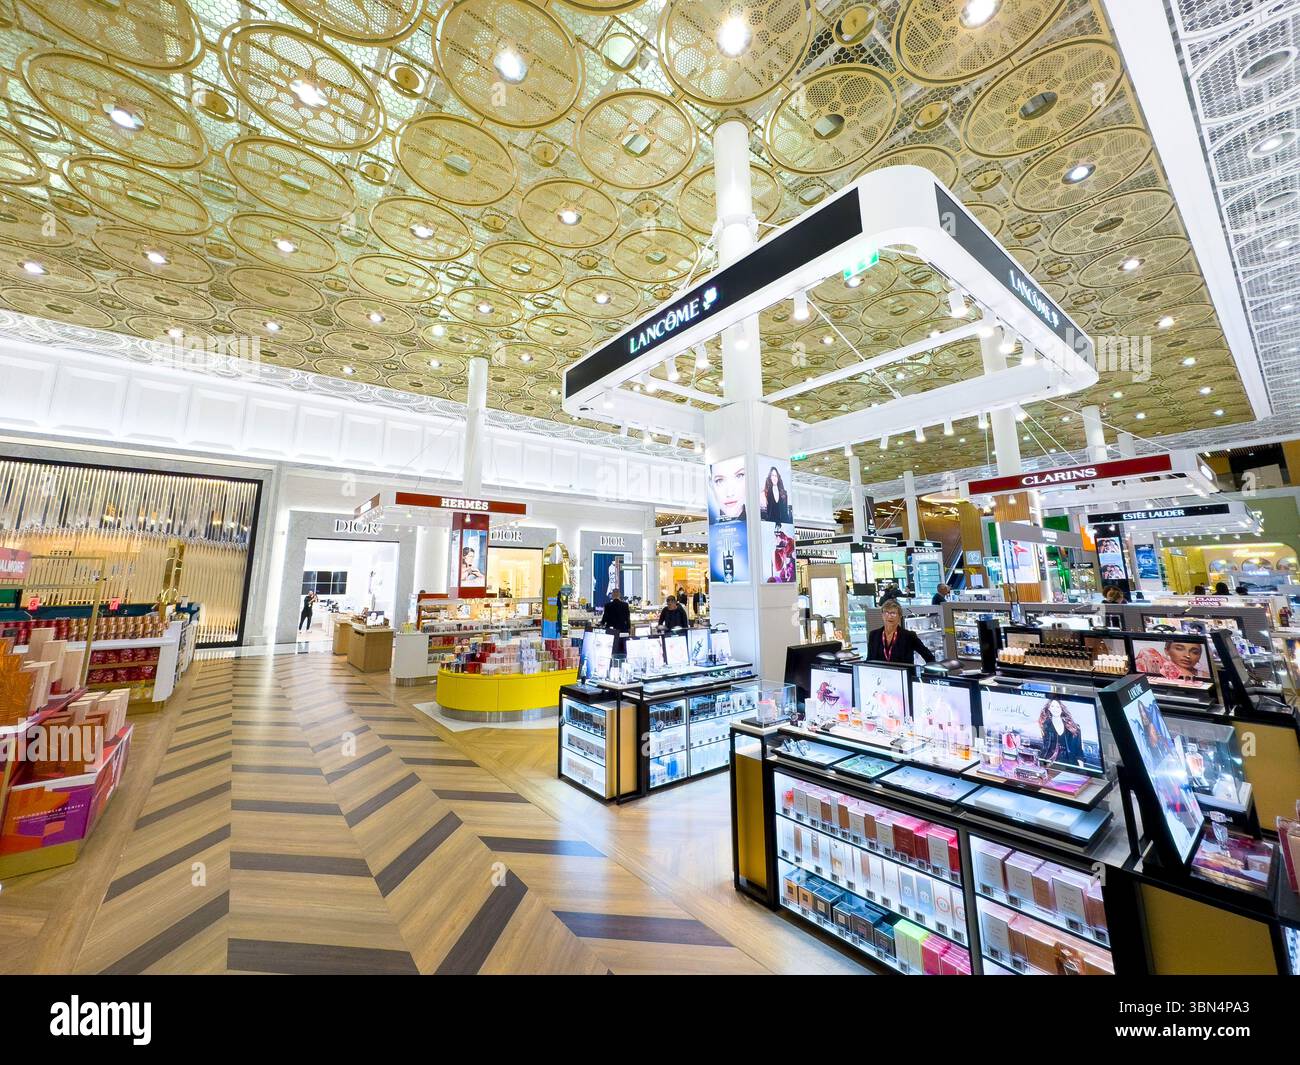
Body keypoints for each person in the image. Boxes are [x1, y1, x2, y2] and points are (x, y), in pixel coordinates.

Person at [866, 599, 936, 664]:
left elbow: (929, 657)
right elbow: (869, 660)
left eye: (893, 613)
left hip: (903, 676)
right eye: (886, 613)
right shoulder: (874, 635)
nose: (889, 616)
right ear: (882, 615)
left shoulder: (909, 636)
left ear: (900, 616)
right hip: (879, 676)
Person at [1038, 697, 1085, 767]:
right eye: (1052, 706)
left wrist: (1081, 768)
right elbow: (1044, 747)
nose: (1055, 709)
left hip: (1070, 765)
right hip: (1050, 765)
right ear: (1049, 708)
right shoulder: (1044, 725)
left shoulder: (1074, 727)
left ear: (1061, 708)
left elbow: (1079, 750)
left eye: (1057, 706)